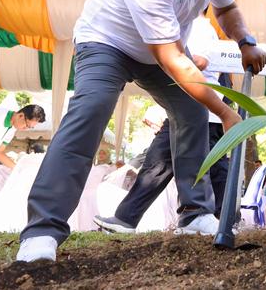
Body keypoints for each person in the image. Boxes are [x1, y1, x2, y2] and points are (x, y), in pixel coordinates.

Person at [16, 0, 266, 262]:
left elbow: (225, 9)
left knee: (192, 110)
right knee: (91, 110)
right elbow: (173, 59)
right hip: (107, 42)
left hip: (156, 51)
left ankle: (194, 213)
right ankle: (42, 231)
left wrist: (246, 41)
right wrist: (226, 113)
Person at [93, 16, 232, 232]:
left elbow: (201, 61)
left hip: (203, 112)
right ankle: (126, 218)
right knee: (156, 165)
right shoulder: (181, 27)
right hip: (181, 110)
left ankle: (224, 221)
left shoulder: (200, 26)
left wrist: (174, 62)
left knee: (212, 167)